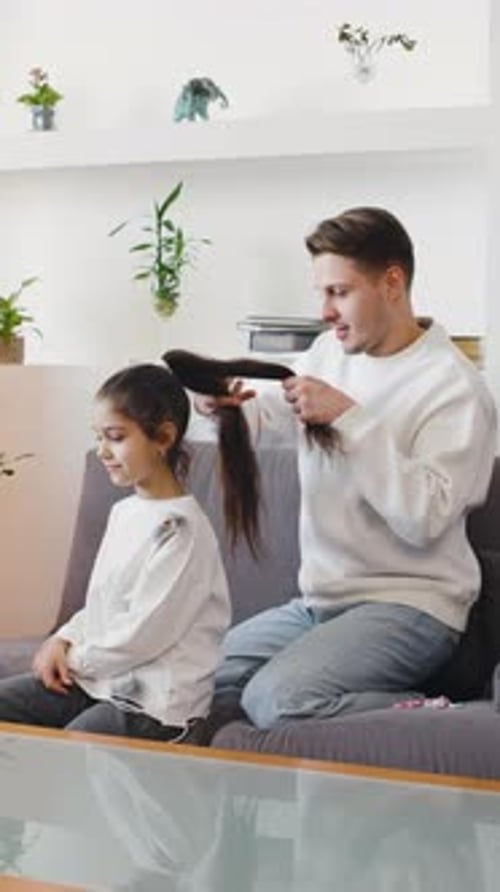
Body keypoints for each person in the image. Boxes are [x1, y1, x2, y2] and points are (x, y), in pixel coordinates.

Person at [203, 206, 497, 730]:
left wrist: (350, 418)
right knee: (197, 680)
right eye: (321, 293)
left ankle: (437, 715)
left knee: (278, 700)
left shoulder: (453, 386)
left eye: (339, 292)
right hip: (319, 603)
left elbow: (425, 518)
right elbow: (275, 412)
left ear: (392, 283)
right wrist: (229, 408)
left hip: (413, 608)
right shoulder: (328, 353)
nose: (324, 311)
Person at [0, 364, 231, 742]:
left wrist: (72, 658)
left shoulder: (181, 531)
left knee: (71, 749)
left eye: (116, 437)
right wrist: (62, 639)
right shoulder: (124, 512)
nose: (103, 451)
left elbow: (143, 634)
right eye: (99, 437)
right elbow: (103, 606)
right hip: (99, 682)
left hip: (155, 704)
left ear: (164, 437)